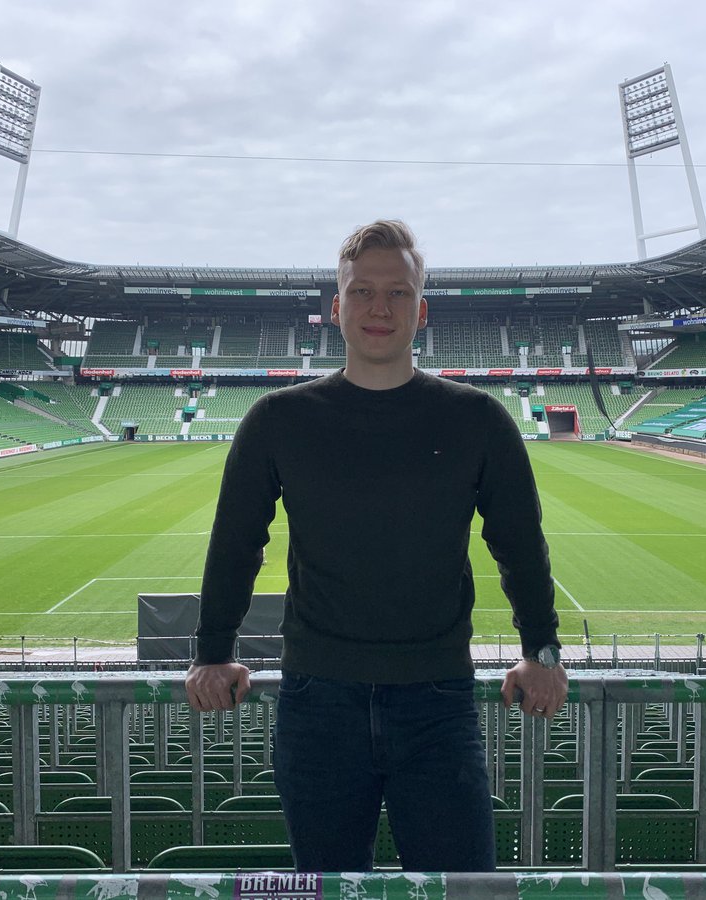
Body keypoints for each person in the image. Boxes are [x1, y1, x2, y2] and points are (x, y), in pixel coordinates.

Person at [185, 219, 568, 873]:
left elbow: (520, 544)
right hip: (316, 704)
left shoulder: (477, 418)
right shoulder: (278, 420)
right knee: (331, 889)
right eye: (362, 292)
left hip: (437, 702)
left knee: (460, 888)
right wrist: (213, 653)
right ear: (336, 308)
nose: (379, 308)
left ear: (421, 311)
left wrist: (543, 651)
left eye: (397, 293)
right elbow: (235, 542)